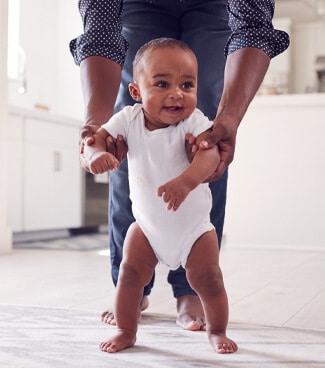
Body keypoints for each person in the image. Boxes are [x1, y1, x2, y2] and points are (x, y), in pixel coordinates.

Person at [69, 0, 289, 330]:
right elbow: (101, 32)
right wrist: (95, 131)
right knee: (131, 134)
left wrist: (227, 119)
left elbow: (252, 28)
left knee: (205, 137)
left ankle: (192, 288)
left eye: (185, 86)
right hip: (138, 6)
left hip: (214, 7)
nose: (176, 93)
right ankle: (131, 286)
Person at [84, 37, 235, 354]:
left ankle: (217, 331)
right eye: (163, 83)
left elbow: (209, 156)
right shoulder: (129, 119)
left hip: (193, 230)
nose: (176, 93)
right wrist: (97, 153)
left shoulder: (193, 121)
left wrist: (186, 181)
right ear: (137, 92)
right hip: (147, 228)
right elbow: (98, 138)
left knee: (208, 280)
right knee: (129, 276)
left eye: (187, 84)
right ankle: (126, 330)